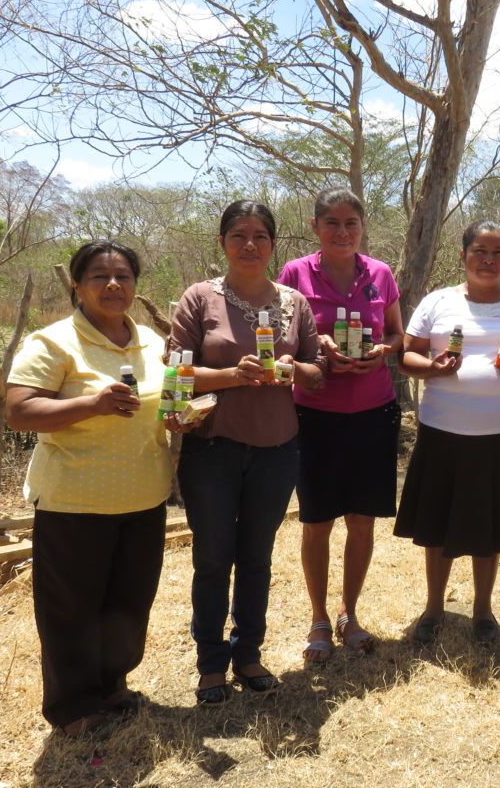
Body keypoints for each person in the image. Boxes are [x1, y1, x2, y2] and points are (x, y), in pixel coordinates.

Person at [7, 241, 175, 736]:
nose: (113, 285)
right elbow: (19, 412)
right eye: (99, 277)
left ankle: (113, 685)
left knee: (128, 602)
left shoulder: (149, 341)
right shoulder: (54, 342)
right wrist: (92, 404)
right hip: (74, 501)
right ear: (77, 285)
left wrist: (181, 416)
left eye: (123, 275)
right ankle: (74, 706)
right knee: (71, 609)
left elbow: (162, 401)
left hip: (144, 495)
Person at [170, 201, 325, 704]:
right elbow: (176, 374)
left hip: (277, 449)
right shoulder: (199, 299)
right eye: (239, 235)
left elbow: (317, 371)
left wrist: (294, 368)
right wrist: (235, 375)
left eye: (260, 236)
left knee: (257, 558)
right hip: (212, 448)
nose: (250, 245)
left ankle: (249, 653)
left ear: (273, 245)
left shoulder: (294, 303)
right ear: (223, 243)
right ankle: (211, 663)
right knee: (213, 558)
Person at [396, 220, 500, 644]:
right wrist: (433, 367)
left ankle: (483, 611)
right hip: (442, 428)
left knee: (490, 526)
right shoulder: (437, 302)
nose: (488, 259)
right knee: (437, 523)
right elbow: (405, 357)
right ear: (463, 255)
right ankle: (434, 607)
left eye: (498, 252)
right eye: (480, 251)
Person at [277, 187, 403, 663]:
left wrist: (382, 352)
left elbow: (396, 332)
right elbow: (280, 337)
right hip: (314, 414)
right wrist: (321, 349)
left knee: (362, 520)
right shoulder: (295, 274)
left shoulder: (380, 274)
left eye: (351, 222)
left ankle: (350, 613)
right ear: (315, 227)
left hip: (374, 411)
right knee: (317, 520)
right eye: (332, 222)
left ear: (362, 227)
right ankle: (319, 619)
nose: (342, 231)